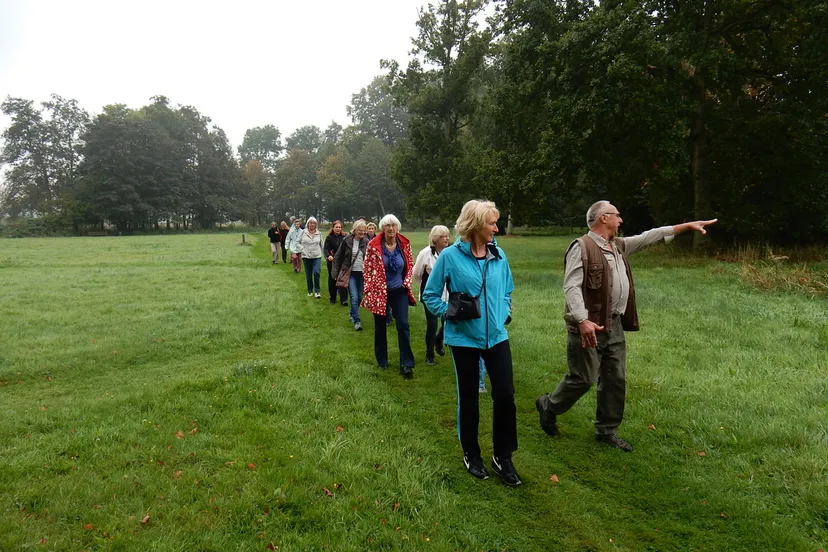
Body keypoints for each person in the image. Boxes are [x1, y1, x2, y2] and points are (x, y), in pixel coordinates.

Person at [535, 200, 718, 452]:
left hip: (615, 325)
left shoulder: (618, 246)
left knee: (615, 378)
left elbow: (649, 237)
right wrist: (581, 319)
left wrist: (685, 226)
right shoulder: (582, 247)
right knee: (584, 379)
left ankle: (606, 431)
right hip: (589, 326)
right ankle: (549, 405)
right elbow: (571, 286)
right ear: (603, 218)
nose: (621, 220)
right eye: (617, 215)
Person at [423, 199, 520, 486]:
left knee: (505, 395)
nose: (496, 228)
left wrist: (503, 312)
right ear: (476, 225)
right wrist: (450, 314)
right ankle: (472, 454)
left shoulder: (499, 255)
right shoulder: (451, 257)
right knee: (469, 397)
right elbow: (430, 295)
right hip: (464, 339)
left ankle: (502, 457)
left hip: (497, 337)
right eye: (491, 223)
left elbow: (508, 290)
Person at [361, 214, 416, 377]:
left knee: (403, 325)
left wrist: (407, 282)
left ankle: (406, 364)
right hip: (379, 292)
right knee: (380, 328)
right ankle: (382, 360)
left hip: (399, 290)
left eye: (393, 225)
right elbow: (367, 269)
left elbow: (410, 264)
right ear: (382, 228)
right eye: (387, 226)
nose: (391, 229)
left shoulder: (404, 244)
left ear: (397, 227)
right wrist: (370, 289)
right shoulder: (373, 245)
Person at [413, 225, 450, 366]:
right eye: (443, 236)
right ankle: (429, 355)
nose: (446, 238)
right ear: (435, 238)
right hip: (431, 296)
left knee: (448, 321)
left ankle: (438, 340)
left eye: (447, 235)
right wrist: (426, 287)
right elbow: (417, 274)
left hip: (448, 295)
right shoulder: (426, 253)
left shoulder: (451, 253)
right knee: (432, 324)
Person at [332, 220, 370, 331]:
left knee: (359, 297)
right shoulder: (347, 240)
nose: (362, 232)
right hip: (350, 273)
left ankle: (352, 313)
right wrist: (335, 273)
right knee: (353, 297)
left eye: (363, 231)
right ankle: (357, 321)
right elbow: (338, 257)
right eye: (360, 230)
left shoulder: (367, 242)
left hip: (362, 273)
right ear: (355, 230)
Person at [324, 221, 349, 306]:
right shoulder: (329, 237)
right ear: (333, 228)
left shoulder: (345, 237)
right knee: (332, 279)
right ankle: (333, 298)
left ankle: (344, 299)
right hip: (332, 261)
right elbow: (326, 249)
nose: (338, 229)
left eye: (339, 227)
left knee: (343, 279)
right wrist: (328, 256)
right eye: (336, 227)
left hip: (342, 261)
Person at [299, 217, 324, 298]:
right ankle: (310, 290)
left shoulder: (319, 233)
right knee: (308, 274)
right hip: (306, 256)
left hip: (317, 256)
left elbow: (322, 245)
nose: (312, 224)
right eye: (311, 223)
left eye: (314, 223)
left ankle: (317, 291)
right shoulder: (303, 233)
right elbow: (297, 243)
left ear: (316, 224)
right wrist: (302, 249)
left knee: (316, 272)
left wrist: (326, 256)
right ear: (308, 224)